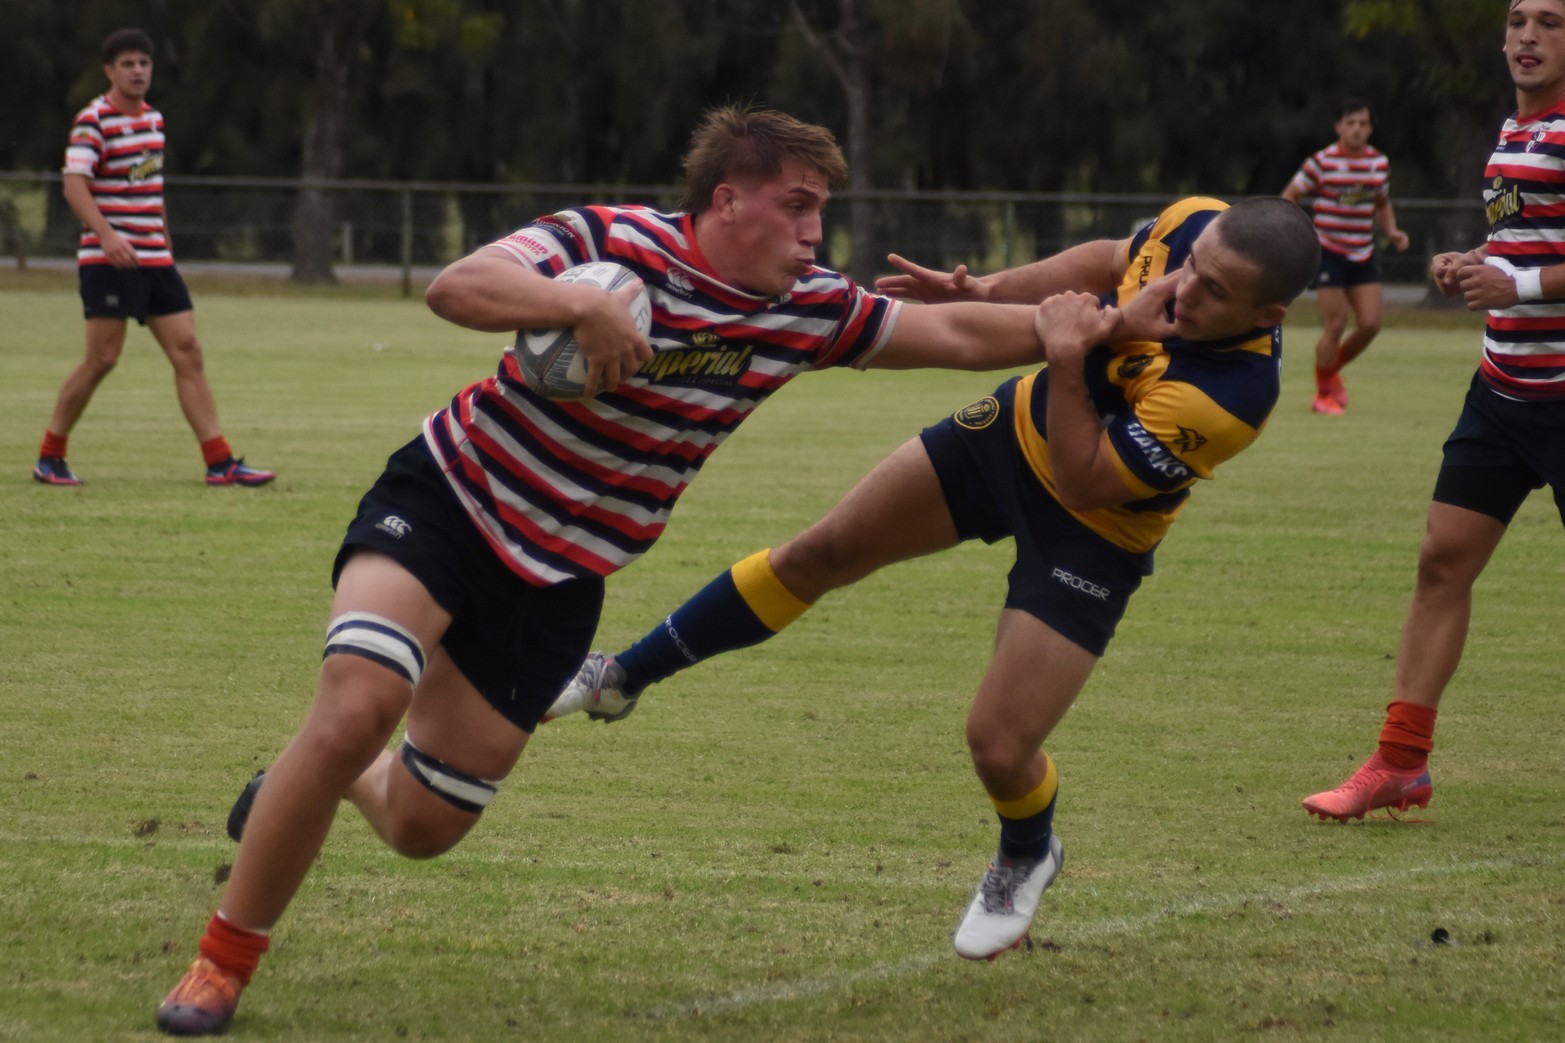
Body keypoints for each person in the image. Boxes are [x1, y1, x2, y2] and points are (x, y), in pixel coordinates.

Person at [153, 103, 1057, 1036]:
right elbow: (457, 288)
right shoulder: (607, 238)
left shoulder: (808, 307)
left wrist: (1084, 328)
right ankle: (220, 966)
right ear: (727, 198)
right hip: (450, 500)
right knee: (353, 707)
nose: (813, 231)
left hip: (560, 579)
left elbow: (949, 336)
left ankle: (316, 778)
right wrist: (574, 301)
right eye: (795, 206)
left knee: (422, 825)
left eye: (819, 210)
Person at [544, 196, 1321, 960]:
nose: (1186, 288)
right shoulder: (1195, 223)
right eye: (1193, 268)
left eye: (1215, 291)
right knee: (819, 551)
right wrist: (993, 289)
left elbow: (1085, 480)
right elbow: (1116, 257)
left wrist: (1064, 352)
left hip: (1095, 526)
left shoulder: (1232, 396)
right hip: (1009, 436)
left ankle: (1027, 850)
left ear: (1269, 314)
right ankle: (621, 673)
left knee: (997, 743)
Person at [1302, 0, 1565, 822]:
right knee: (1440, 562)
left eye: (1551, 23)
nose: (1527, 36)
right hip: (1500, 392)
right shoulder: (1512, 135)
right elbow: (1524, 239)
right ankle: (1399, 762)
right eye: (1518, 20)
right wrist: (1472, 262)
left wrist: (1516, 285)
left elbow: (1532, 273)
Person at [33, 27, 273, 488]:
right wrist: (106, 237)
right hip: (109, 260)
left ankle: (220, 462)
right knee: (102, 358)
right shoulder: (94, 120)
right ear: (110, 71)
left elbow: (150, 190)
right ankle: (50, 456)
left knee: (189, 351)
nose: (138, 71)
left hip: (155, 259)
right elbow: (74, 185)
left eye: (144, 63)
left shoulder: (154, 121)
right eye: (127, 64)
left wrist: (163, 243)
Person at [1282, 98, 1410, 415]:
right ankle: (1324, 393)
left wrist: (1391, 231)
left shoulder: (1378, 163)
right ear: (1339, 127)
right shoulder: (1321, 162)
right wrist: (1298, 235)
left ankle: (1329, 370)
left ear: (1370, 128)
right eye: (1350, 123)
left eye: (1362, 124)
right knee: (1336, 323)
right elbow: (1290, 196)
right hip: (1328, 251)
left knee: (1370, 324)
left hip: (1363, 252)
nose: (1356, 129)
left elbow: (1381, 202)